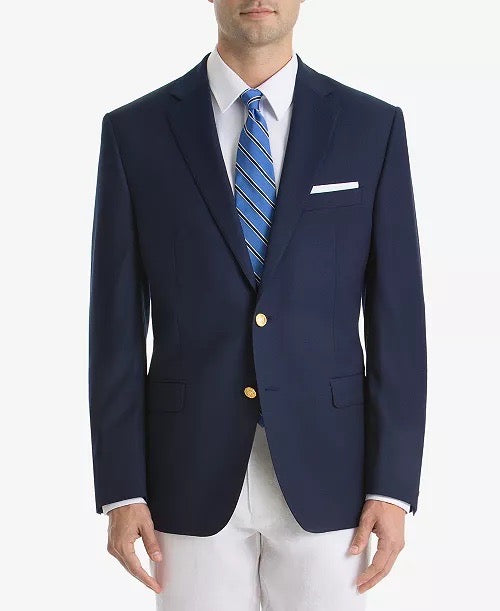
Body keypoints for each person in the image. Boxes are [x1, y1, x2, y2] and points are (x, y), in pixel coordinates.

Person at [88, 1, 427, 608]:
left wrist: (393, 485)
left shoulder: (370, 127)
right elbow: (114, 327)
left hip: (333, 474)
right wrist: (121, 488)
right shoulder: (135, 133)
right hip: (185, 471)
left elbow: (398, 319)